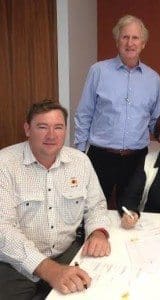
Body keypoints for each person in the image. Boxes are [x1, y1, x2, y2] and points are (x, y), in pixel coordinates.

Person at [0, 100, 111, 299]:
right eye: (42, 127)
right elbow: (3, 230)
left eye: (58, 127)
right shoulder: (5, 165)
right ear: (27, 129)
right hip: (13, 263)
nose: (51, 135)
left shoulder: (81, 161)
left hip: (66, 253)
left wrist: (98, 232)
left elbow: (96, 205)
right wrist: (49, 270)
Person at [74, 15, 160, 210]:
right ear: (117, 41)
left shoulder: (153, 79)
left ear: (143, 44)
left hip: (136, 159)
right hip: (101, 157)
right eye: (125, 37)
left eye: (135, 38)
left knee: (130, 214)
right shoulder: (98, 71)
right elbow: (84, 113)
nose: (130, 43)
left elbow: (156, 120)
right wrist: (80, 153)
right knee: (92, 211)